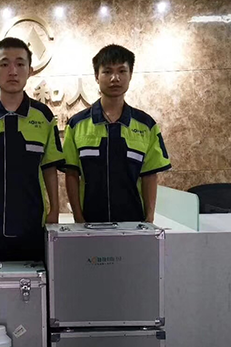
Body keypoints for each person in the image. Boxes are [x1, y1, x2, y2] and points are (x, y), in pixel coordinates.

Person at [0, 37, 64, 261]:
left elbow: (49, 168)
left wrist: (54, 210)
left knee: (36, 278)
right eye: (5, 64)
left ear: (30, 71)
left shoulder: (44, 116)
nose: (13, 71)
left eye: (20, 64)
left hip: (33, 220)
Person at [62, 44, 171, 223]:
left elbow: (149, 175)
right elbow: (72, 174)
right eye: (107, 72)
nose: (115, 78)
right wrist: (78, 217)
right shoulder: (77, 124)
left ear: (130, 75)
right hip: (90, 223)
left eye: (122, 71)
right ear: (96, 76)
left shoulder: (146, 125)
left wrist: (149, 217)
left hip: (133, 222)